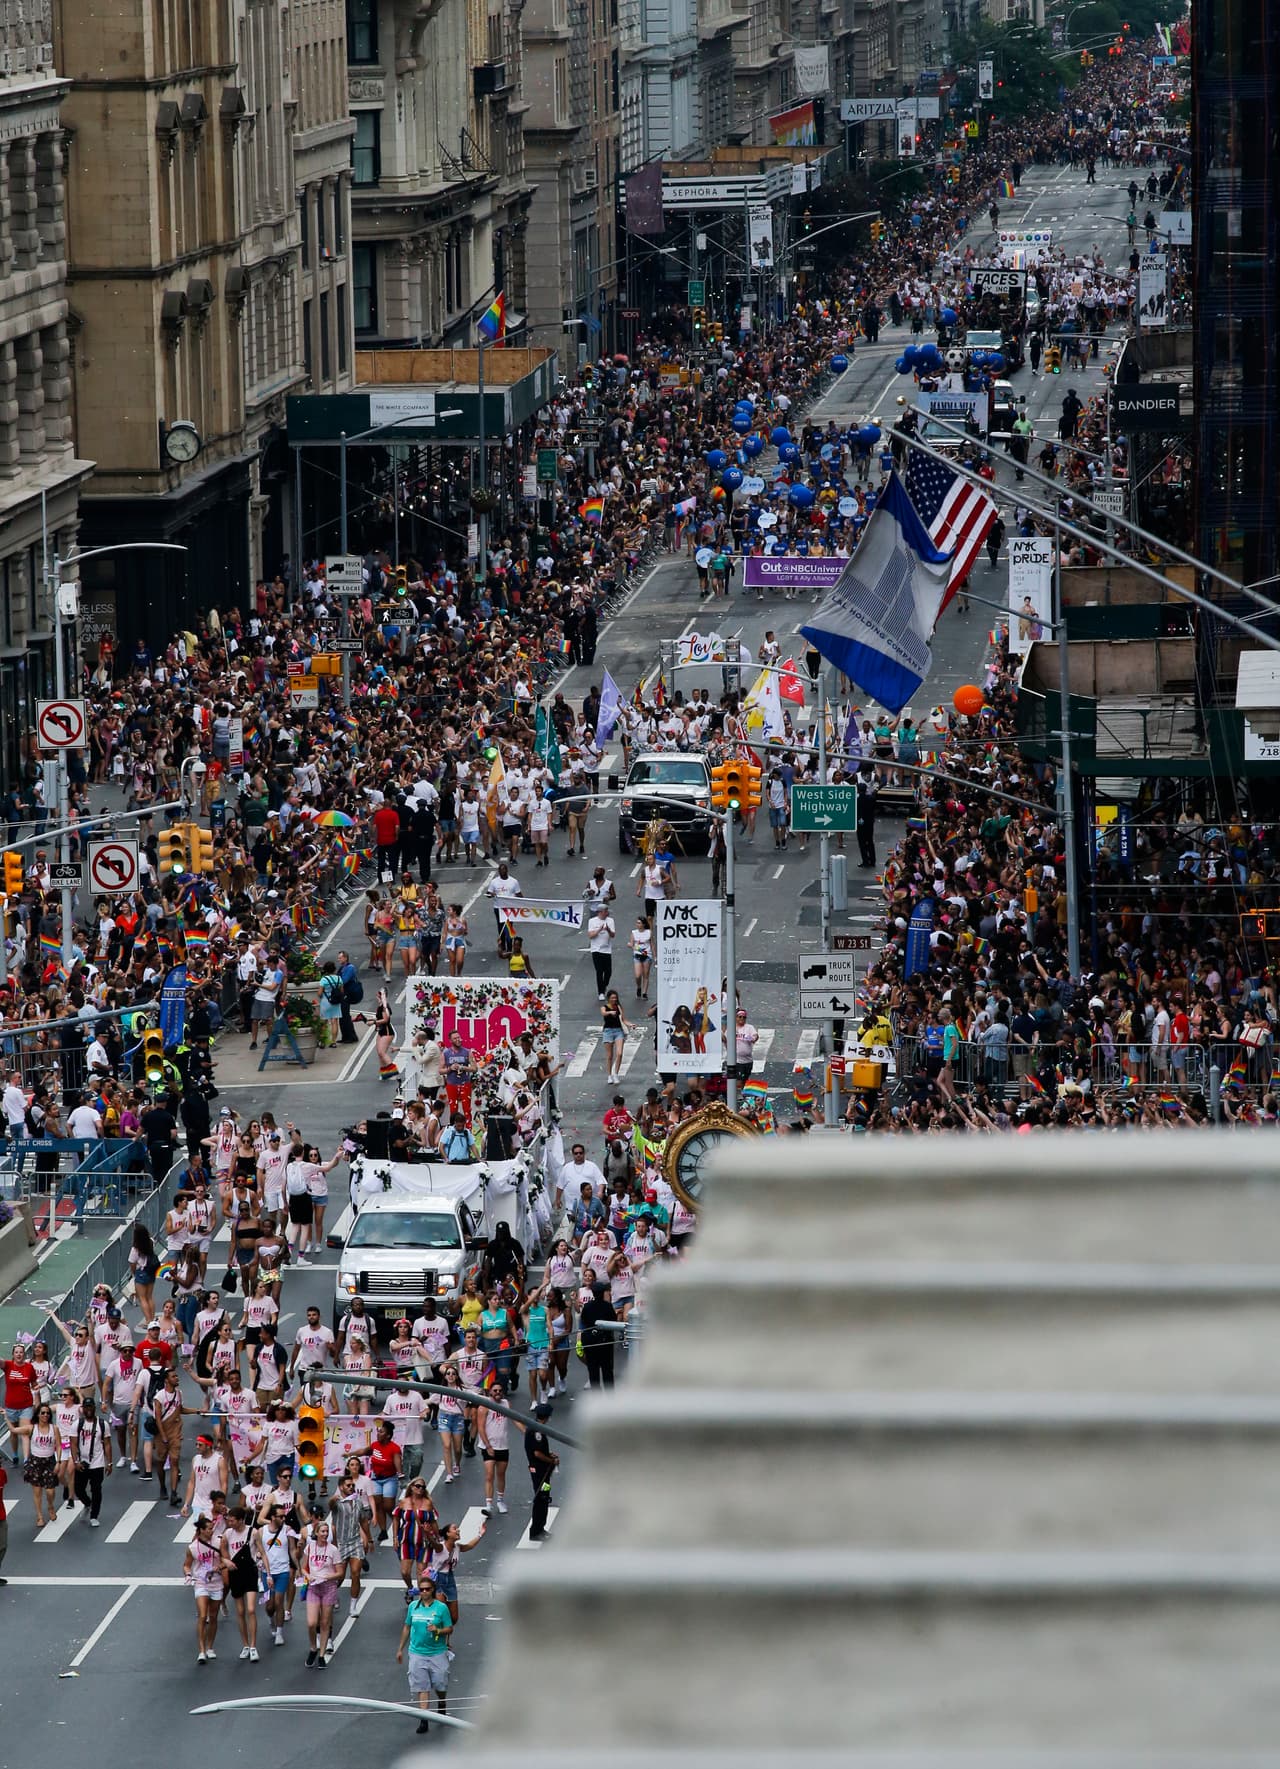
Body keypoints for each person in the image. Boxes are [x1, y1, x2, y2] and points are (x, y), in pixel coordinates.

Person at [397, 1576, 454, 1735]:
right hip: (417, 1653)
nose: (424, 1592)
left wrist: (438, 1630)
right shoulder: (413, 1607)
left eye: (427, 1589)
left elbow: (449, 1629)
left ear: (433, 1590)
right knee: (422, 1687)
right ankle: (424, 1720)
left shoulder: (441, 1608)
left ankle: (441, 1702)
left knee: (440, 1684)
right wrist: (400, 1648)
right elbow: (407, 1627)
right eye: (421, 1589)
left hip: (437, 1653)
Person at [185, 1514, 234, 1664]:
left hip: (216, 1582)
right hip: (201, 1582)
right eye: (208, 1529)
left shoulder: (219, 1542)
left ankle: (210, 1647)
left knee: (213, 1617)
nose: (212, 1531)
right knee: (202, 1615)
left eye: (212, 1528)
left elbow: (226, 1560)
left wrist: (218, 1567)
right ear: (200, 1530)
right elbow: (187, 1564)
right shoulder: (193, 1548)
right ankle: (201, 1650)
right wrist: (188, 1574)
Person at [301, 1517, 345, 1666]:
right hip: (313, 1587)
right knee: (312, 1623)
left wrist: (329, 1576)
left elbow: (340, 1572)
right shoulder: (310, 1547)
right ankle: (313, 1647)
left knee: (325, 1622)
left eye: (327, 1531)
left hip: (328, 1587)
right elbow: (303, 1567)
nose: (325, 1534)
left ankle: (321, 1655)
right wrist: (308, 1576)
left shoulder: (333, 1550)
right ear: (316, 1533)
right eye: (322, 1531)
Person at [524, 1400, 559, 1542]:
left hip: (542, 1471)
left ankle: (540, 1528)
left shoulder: (535, 1427)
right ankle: (537, 1530)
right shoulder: (537, 1431)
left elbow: (539, 1450)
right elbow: (537, 1453)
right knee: (542, 1498)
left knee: (544, 1495)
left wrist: (549, 1453)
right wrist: (552, 1461)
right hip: (540, 1472)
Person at [477, 1380, 510, 1513]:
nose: (497, 1393)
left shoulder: (506, 1404)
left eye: (500, 1391)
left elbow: (515, 1419)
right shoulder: (485, 1406)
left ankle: (500, 1501)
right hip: (489, 1446)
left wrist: (526, 1430)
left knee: (501, 1474)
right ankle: (489, 1504)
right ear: (490, 1391)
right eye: (495, 1390)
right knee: (489, 1475)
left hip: (503, 1446)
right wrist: (488, 1445)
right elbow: (481, 1427)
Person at [579, 1281, 618, 1389]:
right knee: (607, 1370)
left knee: (593, 1370)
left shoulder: (587, 1307)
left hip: (591, 1341)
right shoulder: (608, 1306)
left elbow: (584, 1321)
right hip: (605, 1341)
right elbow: (613, 1321)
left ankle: (596, 1395)